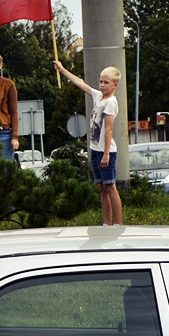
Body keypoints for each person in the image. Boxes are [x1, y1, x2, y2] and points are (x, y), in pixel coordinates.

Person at [54, 61, 123, 225]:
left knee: (110, 186)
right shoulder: (99, 97)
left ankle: (118, 224)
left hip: (106, 152)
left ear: (115, 84)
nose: (102, 85)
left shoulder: (111, 102)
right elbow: (81, 83)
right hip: (95, 149)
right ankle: (106, 222)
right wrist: (63, 70)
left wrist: (106, 154)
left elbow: (108, 130)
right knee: (101, 187)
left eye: (106, 82)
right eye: (101, 81)